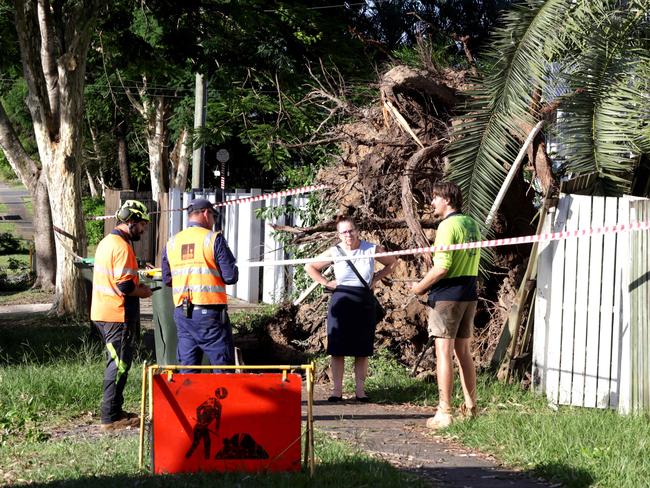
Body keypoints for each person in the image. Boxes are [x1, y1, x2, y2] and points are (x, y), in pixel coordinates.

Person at [410, 181, 481, 429]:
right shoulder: (471, 223)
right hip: (469, 293)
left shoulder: (446, 226)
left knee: (444, 353)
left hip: (447, 295)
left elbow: (442, 267)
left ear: (446, 200)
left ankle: (445, 411)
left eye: (435, 198)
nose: (432, 203)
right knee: (464, 353)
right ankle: (471, 407)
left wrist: (419, 287)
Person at [305, 216, 396, 402]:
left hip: (363, 300)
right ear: (339, 235)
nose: (348, 235)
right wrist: (326, 282)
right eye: (344, 232)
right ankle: (336, 391)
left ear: (357, 230)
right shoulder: (335, 251)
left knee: (361, 349)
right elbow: (310, 267)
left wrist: (376, 279)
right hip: (341, 300)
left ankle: (360, 391)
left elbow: (392, 262)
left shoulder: (371, 248)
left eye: (351, 230)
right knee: (338, 348)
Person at [91, 199, 153, 432]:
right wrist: (145, 292)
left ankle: (115, 410)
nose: (144, 229)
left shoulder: (108, 242)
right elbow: (126, 287)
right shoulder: (122, 246)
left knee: (118, 363)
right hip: (117, 313)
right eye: (142, 224)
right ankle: (110, 418)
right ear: (132, 222)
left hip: (102, 311)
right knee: (119, 365)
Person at [161, 199, 238, 370]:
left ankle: (188, 397)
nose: (213, 221)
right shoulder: (213, 239)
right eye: (213, 216)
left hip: (183, 314)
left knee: (188, 368)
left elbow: (167, 279)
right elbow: (230, 277)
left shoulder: (172, 242)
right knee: (223, 367)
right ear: (205, 213)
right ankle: (222, 395)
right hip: (210, 314)